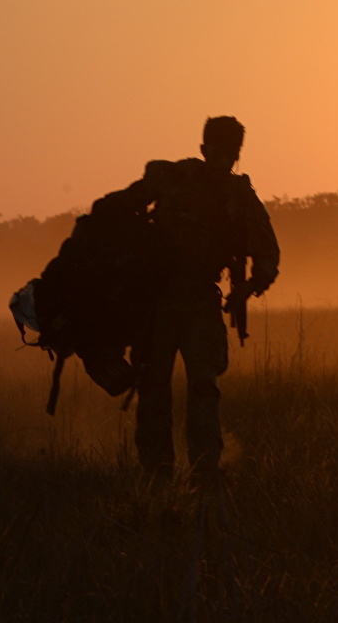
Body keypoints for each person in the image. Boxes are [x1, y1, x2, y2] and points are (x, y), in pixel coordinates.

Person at [123, 115, 279, 484]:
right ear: (204, 149)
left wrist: (245, 289)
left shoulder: (239, 197)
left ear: (238, 154)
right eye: (219, 150)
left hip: (200, 302)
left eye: (232, 153)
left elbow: (268, 254)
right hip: (158, 301)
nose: (225, 159)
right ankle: (156, 473)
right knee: (153, 387)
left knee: (204, 389)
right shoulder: (173, 179)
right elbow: (125, 206)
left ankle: (204, 470)